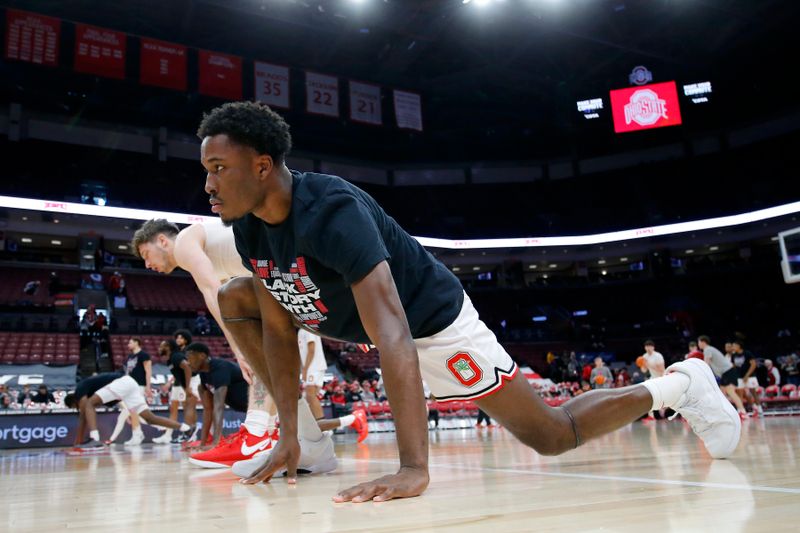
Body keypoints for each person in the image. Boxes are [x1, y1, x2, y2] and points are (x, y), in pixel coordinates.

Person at [198, 101, 740, 503]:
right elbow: (276, 325)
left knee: (550, 435)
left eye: (219, 168)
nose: (209, 183)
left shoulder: (333, 211)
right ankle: (311, 445)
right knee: (237, 297)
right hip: (353, 319)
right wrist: (290, 434)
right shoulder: (250, 228)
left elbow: (395, 335)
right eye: (207, 170)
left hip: (430, 324)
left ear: (263, 166)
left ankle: (680, 383)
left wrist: (413, 468)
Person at [131, 219, 366, 462]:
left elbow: (215, 294)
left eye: (146, 255)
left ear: (162, 240)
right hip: (282, 263)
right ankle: (270, 433)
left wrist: (239, 348)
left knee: (259, 348)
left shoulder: (183, 243)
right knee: (273, 360)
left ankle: (255, 436)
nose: (147, 264)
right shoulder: (207, 252)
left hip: (283, 257)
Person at [64, 372, 193, 451]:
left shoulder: (80, 389)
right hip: (130, 384)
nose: (78, 409)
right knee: (149, 418)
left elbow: (83, 415)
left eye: (75, 407)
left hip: (122, 382)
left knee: (90, 405)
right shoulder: (94, 391)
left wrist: (77, 443)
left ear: (74, 400)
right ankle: (186, 428)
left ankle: (94, 439)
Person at [152, 339, 200, 444]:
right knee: (186, 407)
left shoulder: (176, 356)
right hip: (185, 382)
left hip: (192, 380)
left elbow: (187, 368)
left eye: (162, 346)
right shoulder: (170, 359)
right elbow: (179, 373)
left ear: (168, 347)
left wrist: (187, 387)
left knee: (188, 406)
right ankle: (189, 433)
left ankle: (189, 433)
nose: (159, 348)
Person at [107, 337, 152, 446]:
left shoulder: (144, 355)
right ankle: (139, 434)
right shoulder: (129, 357)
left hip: (139, 386)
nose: (128, 344)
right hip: (129, 387)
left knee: (130, 413)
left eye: (130, 342)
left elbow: (148, 371)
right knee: (133, 413)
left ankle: (136, 435)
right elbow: (128, 373)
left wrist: (148, 387)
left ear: (137, 343)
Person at [698, 335, 747, 418]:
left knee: (730, 392)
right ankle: (724, 413)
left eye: (699, 342)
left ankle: (743, 412)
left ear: (703, 342)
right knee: (722, 394)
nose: (698, 344)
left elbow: (706, 364)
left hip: (728, 372)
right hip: (725, 373)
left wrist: (699, 374)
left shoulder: (707, 349)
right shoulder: (709, 349)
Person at [298, 327, 327, 420]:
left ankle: (322, 424)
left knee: (310, 395)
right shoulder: (301, 331)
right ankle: (315, 424)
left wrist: (305, 369)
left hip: (314, 366)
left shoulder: (308, 329)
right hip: (311, 367)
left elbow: (311, 349)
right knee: (309, 397)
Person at [731, 340, 763, 415]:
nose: (733, 347)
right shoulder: (733, 355)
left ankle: (760, 409)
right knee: (740, 394)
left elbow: (753, 364)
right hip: (739, 377)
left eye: (734, 345)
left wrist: (747, 375)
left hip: (750, 376)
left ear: (739, 346)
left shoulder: (747, 353)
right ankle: (741, 411)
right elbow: (734, 366)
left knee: (753, 392)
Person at [640, 340, 666, 420]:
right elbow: (644, 370)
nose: (648, 348)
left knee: (663, 399)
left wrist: (649, 365)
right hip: (653, 379)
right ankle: (651, 416)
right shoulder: (644, 356)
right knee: (649, 395)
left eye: (649, 346)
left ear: (653, 347)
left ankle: (665, 414)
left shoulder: (658, 356)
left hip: (662, 378)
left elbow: (661, 370)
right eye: (646, 346)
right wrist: (643, 365)